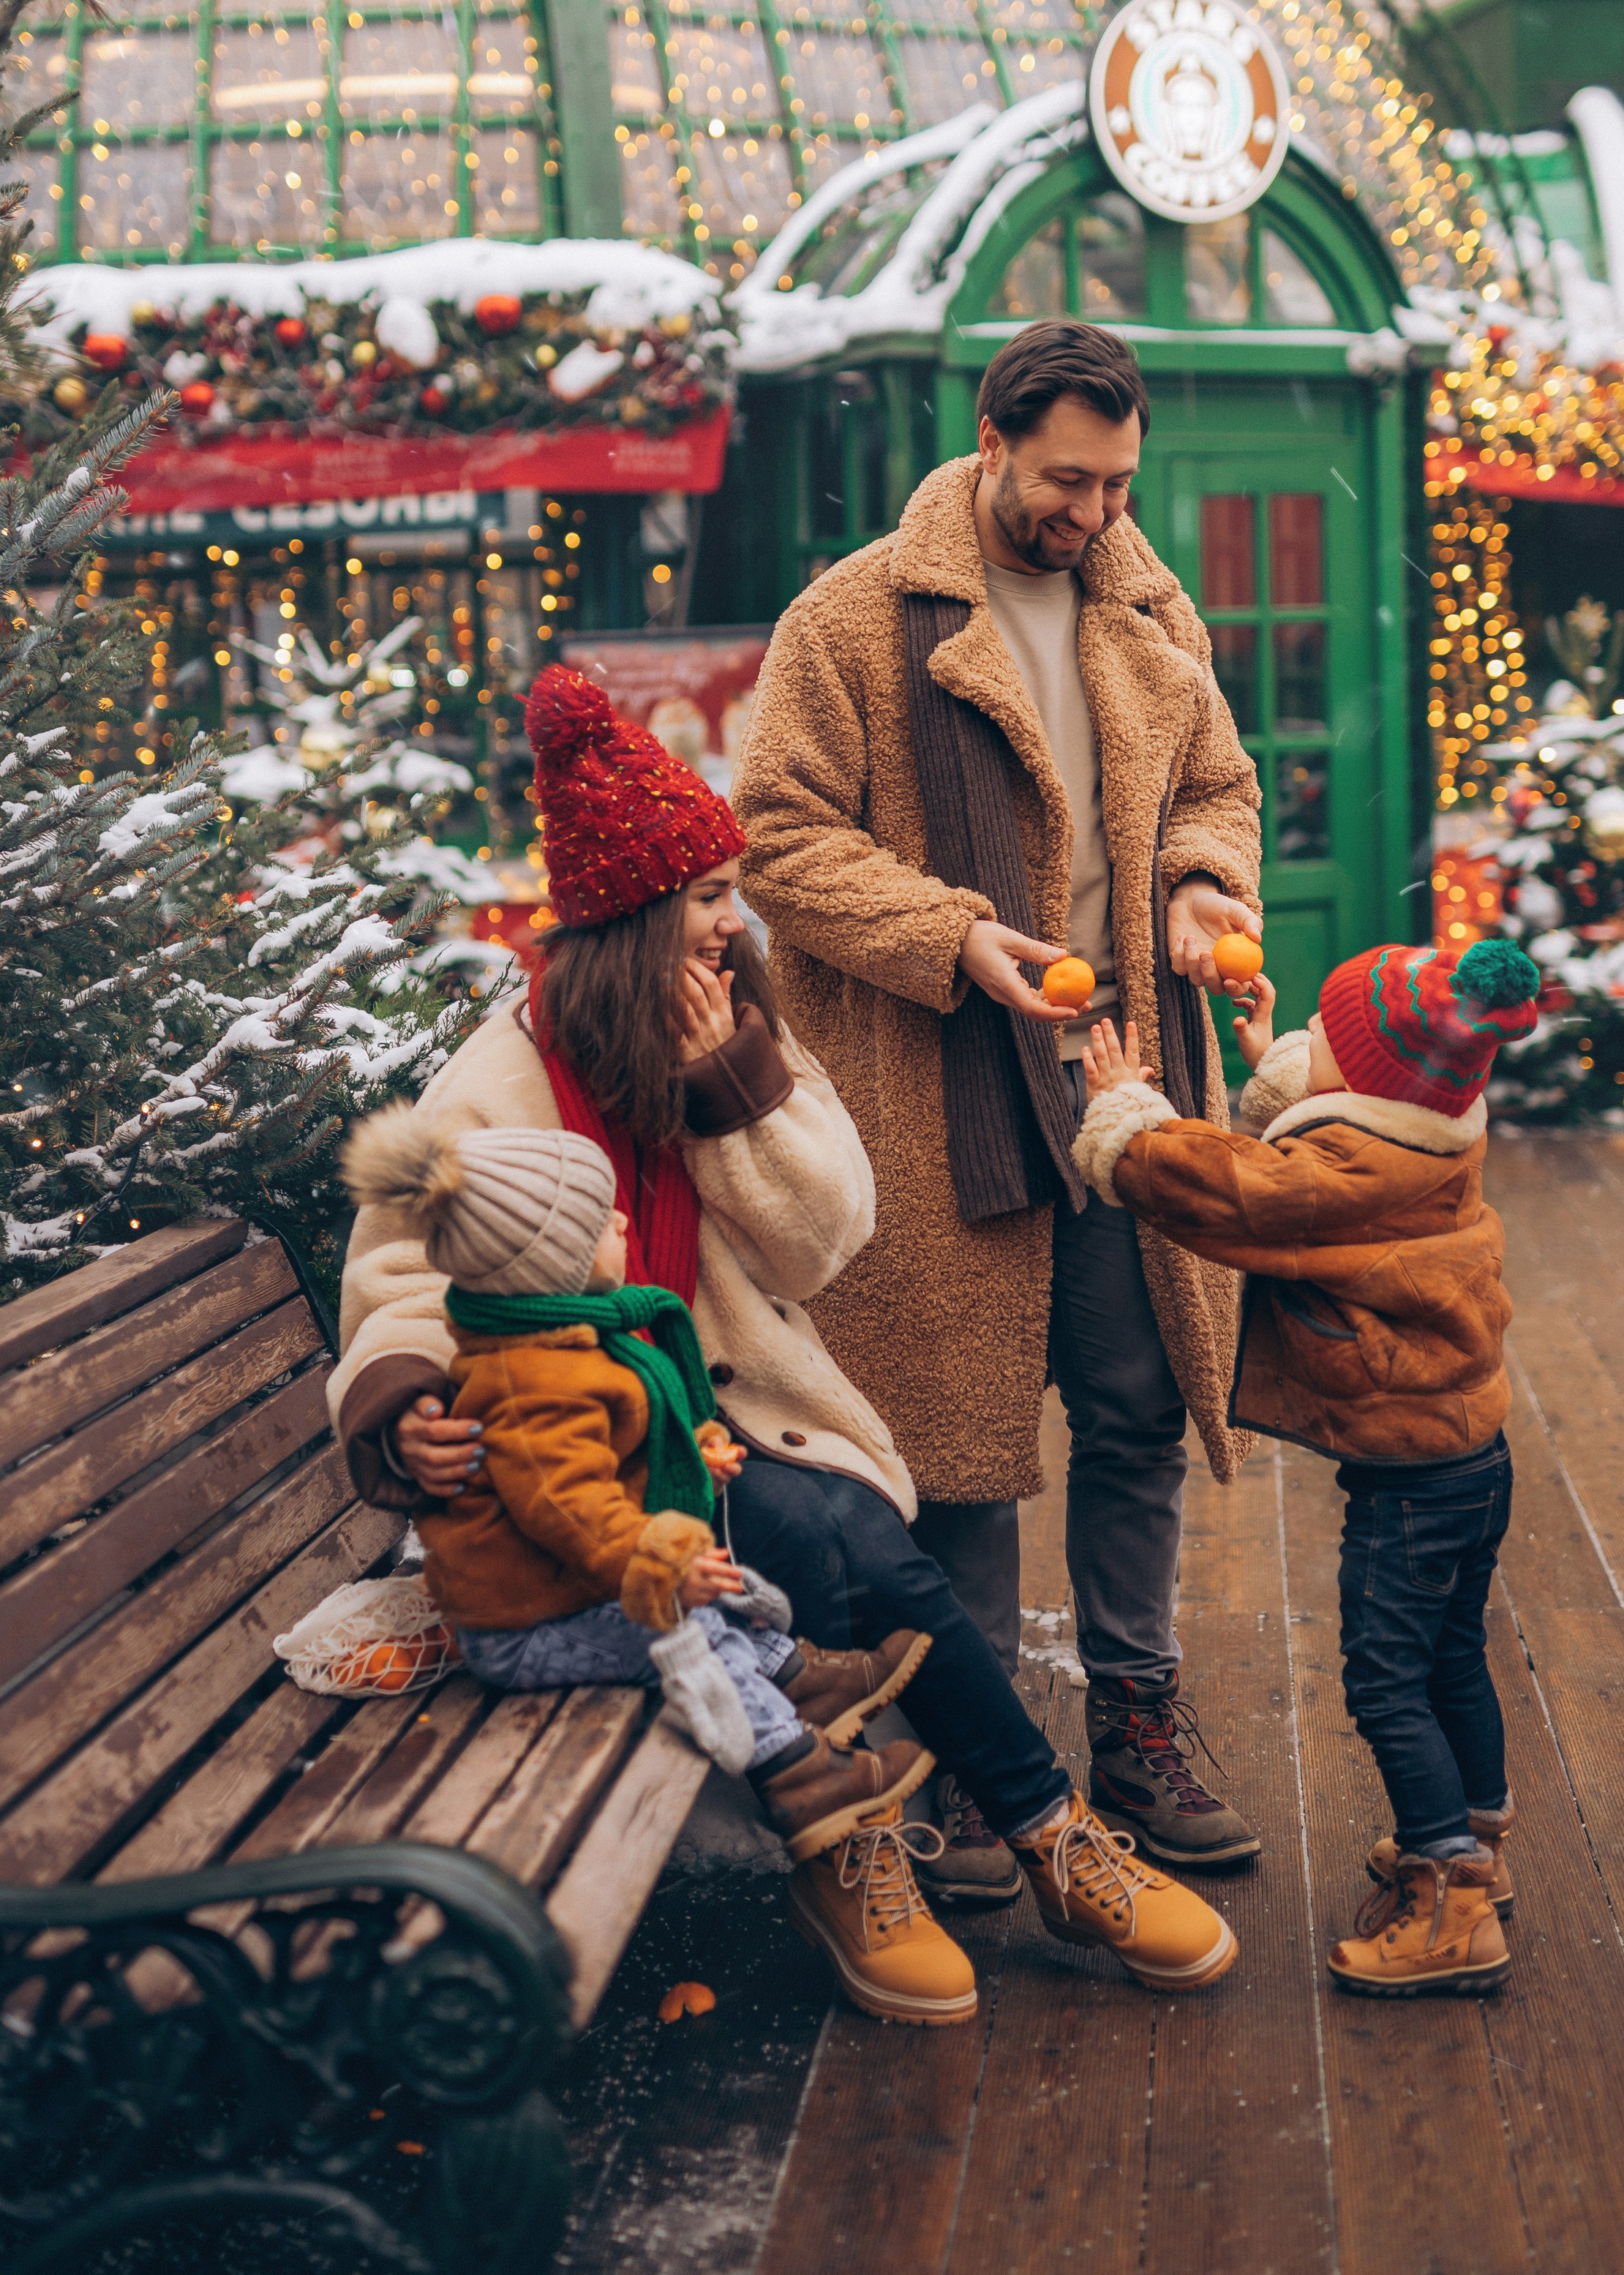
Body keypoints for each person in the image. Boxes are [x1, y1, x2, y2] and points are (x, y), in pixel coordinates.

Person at [328, 664, 1239, 2019]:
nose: (727, 924)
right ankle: (933, 1836)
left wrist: (728, 1092)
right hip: (573, 1452)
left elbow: (827, 1237)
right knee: (832, 1540)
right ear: (635, 919)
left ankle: (1029, 1836)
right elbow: (407, 1276)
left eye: (725, 896)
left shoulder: (744, 1030)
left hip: (719, 1411)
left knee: (845, 1533)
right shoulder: (503, 1074)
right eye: (703, 902)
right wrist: (403, 1402)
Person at [732, 317, 1266, 1892]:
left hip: (1117, 1082)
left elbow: (1216, 791)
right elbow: (774, 835)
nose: (1091, 515)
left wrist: (1193, 890)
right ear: (987, 442)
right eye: (1063, 482)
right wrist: (952, 936)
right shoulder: (849, 620)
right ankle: (980, 1766)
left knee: (1133, 1405)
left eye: (1112, 485)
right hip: (934, 1079)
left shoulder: (1147, 606)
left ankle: (1137, 1724)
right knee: (950, 1444)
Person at [1069, 933, 1543, 1996]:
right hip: (1474, 1456)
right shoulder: (1435, 1132)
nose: (1302, 1041)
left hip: (1410, 1486)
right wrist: (1280, 1067)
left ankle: (1452, 1904)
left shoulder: (1351, 1169)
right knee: (1453, 1656)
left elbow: (1241, 1194)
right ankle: (1476, 1843)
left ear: (1365, 1083)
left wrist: (1126, 1118)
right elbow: (1314, 1135)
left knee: (1384, 1683)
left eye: (1319, 1037)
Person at [339, 1103, 937, 1863]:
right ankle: (798, 1772)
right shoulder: (529, 1381)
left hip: (563, 1594)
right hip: (525, 1628)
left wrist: (693, 1450)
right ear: (546, 1264)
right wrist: (663, 1557)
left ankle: (801, 1680)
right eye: (599, 1221)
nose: (623, 1221)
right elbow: (570, 1509)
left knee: (720, 1601)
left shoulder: (567, 1339)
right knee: (688, 1628)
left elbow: (612, 1451)